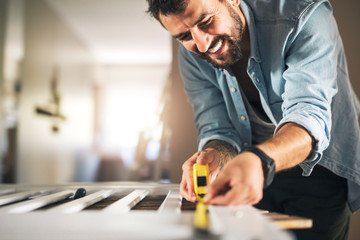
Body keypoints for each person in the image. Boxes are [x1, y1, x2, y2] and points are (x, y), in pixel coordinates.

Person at [146, 0, 360, 239]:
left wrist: (258, 162)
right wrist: (214, 154)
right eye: (185, 36)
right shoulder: (191, 57)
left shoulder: (304, 17)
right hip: (246, 172)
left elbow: (308, 117)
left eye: (205, 21)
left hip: (319, 170)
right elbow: (217, 127)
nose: (202, 44)